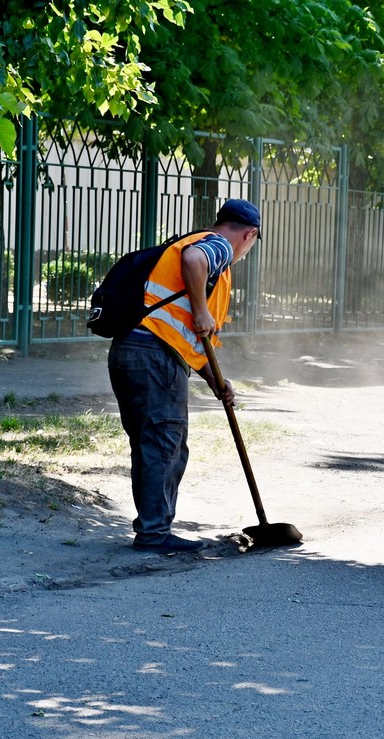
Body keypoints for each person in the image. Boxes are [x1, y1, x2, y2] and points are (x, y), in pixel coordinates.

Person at [108, 199, 262, 553]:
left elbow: (182, 335)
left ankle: (152, 528)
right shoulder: (218, 246)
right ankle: (153, 534)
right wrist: (201, 310)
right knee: (165, 443)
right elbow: (194, 263)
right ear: (249, 234)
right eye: (252, 245)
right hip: (153, 357)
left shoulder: (192, 242)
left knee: (153, 443)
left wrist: (215, 381)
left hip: (131, 351)